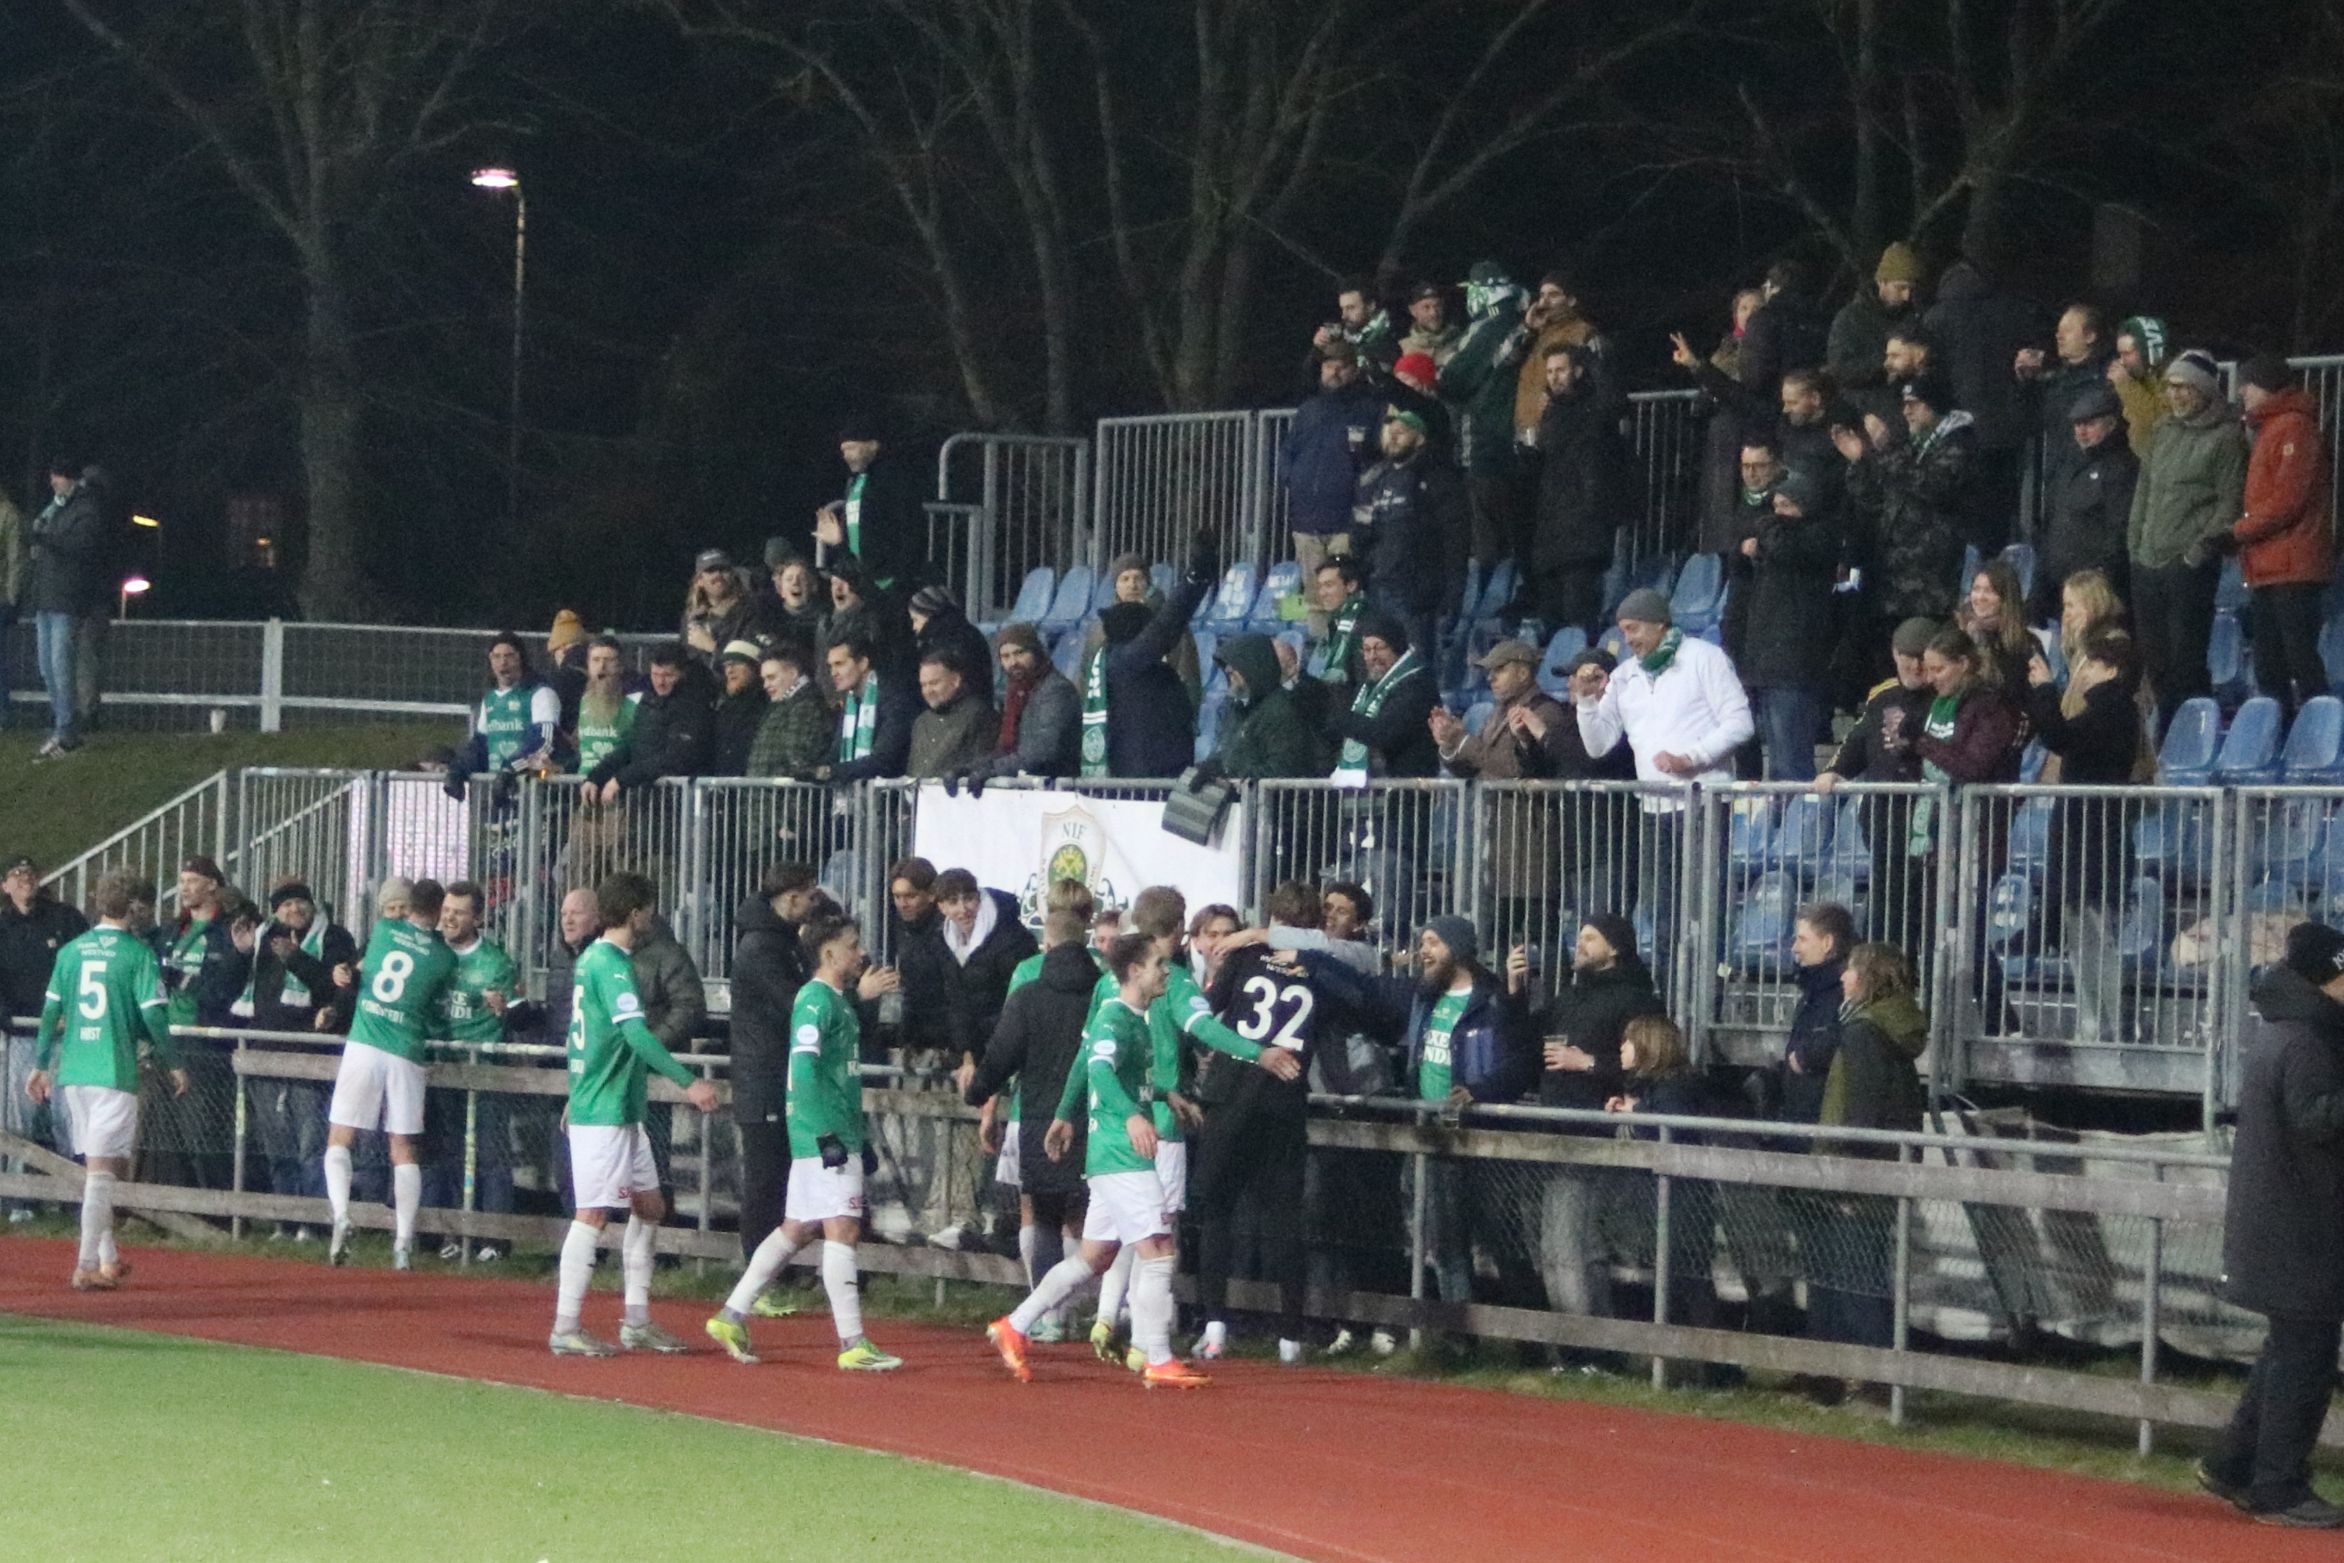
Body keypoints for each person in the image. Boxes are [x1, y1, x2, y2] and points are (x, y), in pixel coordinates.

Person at [987, 934, 1213, 1387]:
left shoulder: (1137, 1017)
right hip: (1121, 1156)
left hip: (1112, 1155)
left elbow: (1111, 1070)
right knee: (1159, 1250)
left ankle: (1014, 1325)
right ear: (1134, 972)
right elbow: (1100, 1069)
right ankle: (1157, 1356)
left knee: (1094, 1256)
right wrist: (1131, 1117)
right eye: (1158, 964)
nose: (1166, 971)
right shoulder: (1115, 1018)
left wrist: (1167, 1096)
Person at [705, 911, 902, 1370]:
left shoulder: (834, 999)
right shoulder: (816, 1001)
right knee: (843, 1228)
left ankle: (732, 1314)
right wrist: (826, 1133)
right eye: (852, 944)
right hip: (825, 1137)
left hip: (831, 1132)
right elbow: (804, 1069)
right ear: (829, 951)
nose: (860, 953)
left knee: (798, 1228)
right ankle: (852, 1342)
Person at [1302, 915, 1532, 1306]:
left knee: (1501, 1243)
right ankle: (1458, 1334)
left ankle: (1532, 1341)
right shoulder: (1422, 995)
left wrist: (1479, 1090)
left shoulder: (1493, 998)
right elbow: (1367, 988)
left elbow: (1519, 1061)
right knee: (1442, 1242)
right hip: (1429, 1130)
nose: (1423, 951)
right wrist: (1310, 959)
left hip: (1480, 1137)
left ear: (1457, 949)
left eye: (1432, 943)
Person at [2201, 920, 2344, 1529]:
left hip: (2288, 1221)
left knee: (2290, 1349)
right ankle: (2278, 1487)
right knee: (2305, 1356)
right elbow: (2317, 1120)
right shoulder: (2308, 1039)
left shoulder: (2291, 1028)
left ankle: (2235, 1464)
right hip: (2300, 1227)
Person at [547, 872, 721, 1357]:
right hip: (603, 1110)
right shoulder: (611, 964)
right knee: (593, 1215)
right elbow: (637, 1036)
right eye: (650, 908)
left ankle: (637, 1320)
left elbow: (584, 1034)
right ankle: (565, 1326)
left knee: (651, 1207)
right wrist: (690, 1083)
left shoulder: (594, 960)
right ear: (639, 912)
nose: (652, 916)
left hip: (619, 1105)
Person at [1188, 883, 1336, 1363]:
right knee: (1282, 1219)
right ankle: (1289, 1336)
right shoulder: (1319, 967)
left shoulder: (1247, 956)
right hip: (1285, 1099)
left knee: (1216, 1211)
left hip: (1232, 1095)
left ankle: (1215, 1327)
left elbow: (1211, 1009)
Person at [1574, 588, 1754, 977]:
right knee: (1663, 910)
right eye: (1623, 631)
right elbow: (1599, 744)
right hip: (1655, 808)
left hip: (1704, 801)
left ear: (1660, 623)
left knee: (1707, 905)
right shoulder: (1625, 676)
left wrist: (1693, 757)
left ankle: (1709, 995)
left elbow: (1741, 722)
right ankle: (1672, 994)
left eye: (1634, 628)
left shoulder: (1705, 659)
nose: (1629, 639)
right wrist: (1587, 703)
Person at [27, 871, 186, 1290]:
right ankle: (84, 1265)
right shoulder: (138, 954)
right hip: (114, 1070)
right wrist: (173, 1061)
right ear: (134, 908)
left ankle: (108, 1257)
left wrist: (40, 1064)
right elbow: (154, 1014)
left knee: (99, 1168)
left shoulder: (72, 951)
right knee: (102, 1172)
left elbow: (49, 1013)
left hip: (75, 1071)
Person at [965, 899, 1098, 1348]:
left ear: (1048, 943)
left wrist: (978, 1091)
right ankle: (1096, 1315)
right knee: (1086, 1217)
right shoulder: (1103, 993)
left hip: (1040, 1116)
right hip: (1093, 1118)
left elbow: (1001, 1054)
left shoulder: (1029, 993)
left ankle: (1047, 1315)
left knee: (1041, 1213)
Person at [1805, 941, 1927, 1404]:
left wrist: (1848, 1177)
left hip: (1861, 1171)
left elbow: (1861, 1110)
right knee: (1871, 1273)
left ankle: (1877, 1387)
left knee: (1857, 1279)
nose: (1843, 978)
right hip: (1888, 1168)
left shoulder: (1863, 1033)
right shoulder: (1894, 1027)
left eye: (1852, 971)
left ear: (1870, 977)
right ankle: (1875, 1382)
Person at [1531, 914, 1663, 1329]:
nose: (1580, 944)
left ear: (1615, 948)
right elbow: (1529, 1040)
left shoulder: (1637, 998)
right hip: (1556, 1130)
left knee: (1574, 1243)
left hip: (1595, 1132)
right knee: (1554, 1244)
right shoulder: (1571, 996)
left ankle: (1588, 1342)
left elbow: (1653, 1058)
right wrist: (1516, 995)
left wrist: (1586, 1062)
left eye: (1591, 938)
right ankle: (1580, 1342)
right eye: (1579, 937)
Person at [323, 877, 458, 1270]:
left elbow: (360, 969)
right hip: (406, 1051)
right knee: (403, 1148)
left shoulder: (383, 931)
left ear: (409, 905)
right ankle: (402, 1242)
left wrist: (345, 972)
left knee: (340, 1139)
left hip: (365, 1043)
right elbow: (435, 1005)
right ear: (436, 912)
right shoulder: (444, 958)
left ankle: (342, 1215)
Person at [2026, 628, 2144, 1043]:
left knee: (2096, 937)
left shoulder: (2114, 709)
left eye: (2092, 663)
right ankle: (2094, 1022)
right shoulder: (2107, 709)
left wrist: (2044, 689)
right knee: (2082, 936)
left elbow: (2059, 738)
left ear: (2112, 669)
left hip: (2094, 840)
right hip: (2085, 837)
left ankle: (2106, 1026)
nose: (2084, 671)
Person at [2128, 349, 2248, 728]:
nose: (2176, 394)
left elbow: (2229, 503)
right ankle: (2165, 742)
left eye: (2184, 387)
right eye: (2171, 386)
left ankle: (2192, 738)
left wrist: (2195, 554)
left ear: (2205, 390)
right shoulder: (2163, 430)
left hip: (2188, 568)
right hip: (2146, 562)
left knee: (2187, 664)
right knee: (2157, 664)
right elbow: (2143, 490)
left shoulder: (2228, 437)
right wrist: (2135, 544)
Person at [236, 880, 357, 1239]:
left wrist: (297, 959)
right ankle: (285, 1220)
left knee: (311, 1142)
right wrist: (239, 952)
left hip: (312, 1054)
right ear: (275, 910)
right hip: (267, 1051)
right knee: (277, 1144)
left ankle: (316, 1221)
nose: (293, 910)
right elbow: (246, 986)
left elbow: (338, 990)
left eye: (299, 902)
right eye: (285, 905)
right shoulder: (264, 937)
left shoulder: (335, 938)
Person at [1816, 618, 1938, 943]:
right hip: (1884, 814)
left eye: (1921, 656)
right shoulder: (1882, 696)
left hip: (1928, 816)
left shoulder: (1945, 696)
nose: (1914, 665)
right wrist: (1835, 768)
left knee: (1923, 904)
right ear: (1895, 655)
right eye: (1906, 656)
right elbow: (1858, 740)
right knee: (1887, 899)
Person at [2230, 354, 2334, 719]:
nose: (2241, 391)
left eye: (2248, 384)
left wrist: (2238, 532)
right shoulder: (2272, 429)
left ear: (2266, 386)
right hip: (2272, 564)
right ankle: (2284, 741)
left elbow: (2287, 500)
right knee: (2271, 664)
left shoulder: (2293, 428)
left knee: (2298, 660)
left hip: (2293, 564)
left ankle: (2322, 739)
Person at [729, 864, 819, 1266]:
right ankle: (757, 1273)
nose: (813, 902)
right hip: (763, 1080)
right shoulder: (763, 947)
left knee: (780, 1181)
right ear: (792, 897)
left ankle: (772, 1272)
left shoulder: (780, 941)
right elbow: (794, 1004)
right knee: (764, 1185)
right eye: (809, 894)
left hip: (771, 1077)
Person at [422, 881, 521, 1251]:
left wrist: (504, 1008)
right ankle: (448, 1234)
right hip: (440, 1067)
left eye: (459, 912)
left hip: (484, 1069)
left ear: (477, 918)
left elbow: (516, 1010)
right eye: (446, 910)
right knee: (446, 1153)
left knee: (490, 1154)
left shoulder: (496, 962)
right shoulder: (429, 953)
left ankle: (492, 1238)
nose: (449, 917)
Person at [1836, 373, 1972, 630]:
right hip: (1894, 580)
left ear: (1935, 404)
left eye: (1914, 403)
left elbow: (1933, 487)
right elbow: (1875, 500)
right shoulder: (1910, 444)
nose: (1906, 411)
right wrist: (1861, 462)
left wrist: (1886, 448)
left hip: (1931, 583)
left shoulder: (1958, 443)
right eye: (1904, 404)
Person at [1080, 533, 1216, 779]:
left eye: (1138, 577)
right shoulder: (1127, 659)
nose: (1132, 584)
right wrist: (1195, 576)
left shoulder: (1111, 657)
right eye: (1125, 578)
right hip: (1145, 772)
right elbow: (1167, 624)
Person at [1921, 258, 2035, 548]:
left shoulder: (1937, 318)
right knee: (2001, 514)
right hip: (2008, 431)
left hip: (1962, 430)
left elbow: (1934, 375)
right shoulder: (2013, 312)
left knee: (1962, 515)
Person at [1740, 466, 1841, 781]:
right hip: (1765, 663)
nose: (1778, 514)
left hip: (1795, 667)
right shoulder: (1778, 540)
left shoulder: (1818, 537)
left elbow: (1784, 548)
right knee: (1776, 761)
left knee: (1792, 760)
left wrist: (1764, 529)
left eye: (1786, 506)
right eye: (1775, 507)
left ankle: (1801, 827)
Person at [1435, 261, 1532, 572]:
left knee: (1487, 536)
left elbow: (1453, 378)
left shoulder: (1493, 325)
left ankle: (1488, 602)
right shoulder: (1511, 321)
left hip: (1486, 442)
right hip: (1499, 443)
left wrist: (1445, 367)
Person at [1524, 343, 1627, 636]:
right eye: (1550, 371)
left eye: (1561, 370)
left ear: (1578, 371)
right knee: (1552, 618)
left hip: (1584, 530)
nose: (1554, 377)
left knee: (1579, 617)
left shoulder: (1595, 407)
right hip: (1551, 530)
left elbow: (1617, 405)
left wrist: (1595, 362)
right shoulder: (1551, 414)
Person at [1351, 406, 1462, 660]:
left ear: (1420, 438)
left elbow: (1454, 537)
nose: (1393, 437)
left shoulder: (1436, 477)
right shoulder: (1378, 477)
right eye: (1390, 431)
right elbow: (1362, 531)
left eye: (1401, 432)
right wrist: (1363, 569)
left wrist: (1449, 590)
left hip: (1415, 594)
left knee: (1414, 665)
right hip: (1379, 586)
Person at [2035, 382, 2138, 620]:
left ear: (2111, 424)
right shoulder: (2069, 465)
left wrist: (2102, 580)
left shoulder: (2123, 468)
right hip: (2058, 586)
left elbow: (2119, 532)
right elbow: (2053, 525)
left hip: (2094, 592)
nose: (2081, 431)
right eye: (2077, 425)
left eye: (2089, 424)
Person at [25, 458, 103, 758]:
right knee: (48, 668)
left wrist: (46, 538)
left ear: (70, 479)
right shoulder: (56, 508)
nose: (53, 482)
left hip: (67, 599)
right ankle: (62, 727)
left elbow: (81, 547)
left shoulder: (86, 510)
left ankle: (67, 731)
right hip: (46, 598)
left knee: (61, 666)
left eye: (57, 476)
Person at [1286, 342, 1384, 577]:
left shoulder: (1368, 410)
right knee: (1315, 602)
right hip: (1306, 522)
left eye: (1341, 367)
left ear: (1354, 371)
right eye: (1329, 366)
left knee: (1345, 598)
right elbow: (1288, 451)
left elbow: (1377, 462)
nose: (1334, 372)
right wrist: (1291, 479)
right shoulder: (1308, 410)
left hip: (1346, 524)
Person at [580, 644, 714, 804]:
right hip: (645, 800)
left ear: (682, 673)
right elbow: (630, 746)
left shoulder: (693, 707)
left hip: (679, 802)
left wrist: (622, 779)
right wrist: (595, 777)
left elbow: (676, 757)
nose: (660, 682)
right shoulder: (648, 701)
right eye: (655, 674)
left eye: (668, 675)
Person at [815, 416, 926, 599]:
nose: (846, 455)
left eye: (851, 448)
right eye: (843, 450)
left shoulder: (893, 476)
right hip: (865, 583)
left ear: (873, 445)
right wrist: (839, 542)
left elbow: (911, 527)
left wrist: (900, 577)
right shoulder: (854, 482)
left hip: (892, 584)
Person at [445, 633, 562, 796]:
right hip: (496, 787)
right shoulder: (490, 699)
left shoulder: (540, 693)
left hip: (528, 788)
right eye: (496, 657)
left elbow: (544, 742)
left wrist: (511, 768)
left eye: (509, 656)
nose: (503, 662)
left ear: (521, 658)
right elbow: (480, 744)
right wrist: (458, 770)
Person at [1328, 613, 1438, 782]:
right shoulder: (1369, 686)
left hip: (1412, 788)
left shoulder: (1417, 683)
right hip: (1380, 785)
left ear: (1396, 647)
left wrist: (1339, 717)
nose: (1372, 656)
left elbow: (1385, 732)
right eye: (1366, 649)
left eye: (1379, 648)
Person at [965, 623, 1080, 783]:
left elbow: (1043, 751)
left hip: (1054, 791)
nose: (1013, 662)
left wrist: (994, 770)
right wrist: (969, 769)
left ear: (1036, 652)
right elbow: (1006, 749)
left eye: (1019, 653)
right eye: (1005, 657)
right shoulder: (1017, 693)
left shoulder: (1057, 690)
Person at [1828, 243, 1926, 421]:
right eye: (1900, 287)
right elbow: (1840, 369)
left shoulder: (1917, 316)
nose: (1907, 296)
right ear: (1882, 282)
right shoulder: (1851, 317)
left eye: (1911, 289)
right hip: (1867, 411)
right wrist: (1887, 365)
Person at [1210, 634, 1325, 779]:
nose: (1228, 671)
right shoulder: (1236, 708)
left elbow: (1285, 768)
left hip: (1270, 800)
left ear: (1253, 666)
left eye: (1235, 665)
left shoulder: (1281, 710)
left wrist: (1231, 775)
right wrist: (1214, 766)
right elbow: (1228, 753)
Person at [823, 630, 917, 784]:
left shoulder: (895, 699)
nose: (833, 673)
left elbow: (884, 758)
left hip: (888, 802)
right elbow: (836, 752)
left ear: (863, 663)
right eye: (830, 666)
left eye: (839, 664)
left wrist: (830, 772)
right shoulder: (850, 702)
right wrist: (815, 769)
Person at [906, 649, 997, 780]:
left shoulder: (979, 715)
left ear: (955, 680)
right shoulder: (921, 722)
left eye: (934, 683)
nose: (928, 691)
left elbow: (981, 765)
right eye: (923, 685)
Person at [746, 640, 829, 780]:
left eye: (771, 677)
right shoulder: (786, 705)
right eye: (764, 679)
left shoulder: (806, 706)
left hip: (784, 799)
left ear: (793, 673)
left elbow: (800, 760)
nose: (766, 685)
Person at [1959, 557, 2038, 696]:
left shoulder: (2025, 644)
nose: (1980, 597)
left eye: (1989, 591)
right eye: (1976, 589)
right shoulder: (1960, 635)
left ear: (2006, 598)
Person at [571, 637, 641, 779]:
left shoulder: (635, 702)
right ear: (588, 665)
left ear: (620, 667)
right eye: (595, 660)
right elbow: (584, 750)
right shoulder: (584, 701)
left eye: (609, 660)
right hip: (583, 785)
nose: (602, 666)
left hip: (616, 787)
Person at [681, 550, 759, 669]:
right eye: (710, 571)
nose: (718, 575)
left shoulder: (750, 611)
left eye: (723, 570)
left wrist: (711, 646)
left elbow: (749, 660)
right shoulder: (692, 617)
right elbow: (689, 659)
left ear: (733, 575)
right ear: (699, 581)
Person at [1305, 553, 1369, 690]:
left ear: (1351, 586)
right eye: (1320, 587)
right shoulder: (1334, 621)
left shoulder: (1365, 622)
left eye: (1328, 585)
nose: (1322, 593)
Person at [2108, 315, 2170, 457]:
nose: (2121, 361)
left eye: (2127, 353)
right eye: (2120, 354)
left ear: (2148, 351)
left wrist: (2126, 385)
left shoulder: (2175, 379)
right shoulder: (2140, 379)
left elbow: (2159, 420)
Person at [708, 640, 770, 777]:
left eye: (736, 664)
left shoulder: (767, 705)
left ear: (755, 667)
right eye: (726, 666)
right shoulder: (722, 707)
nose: (729, 671)